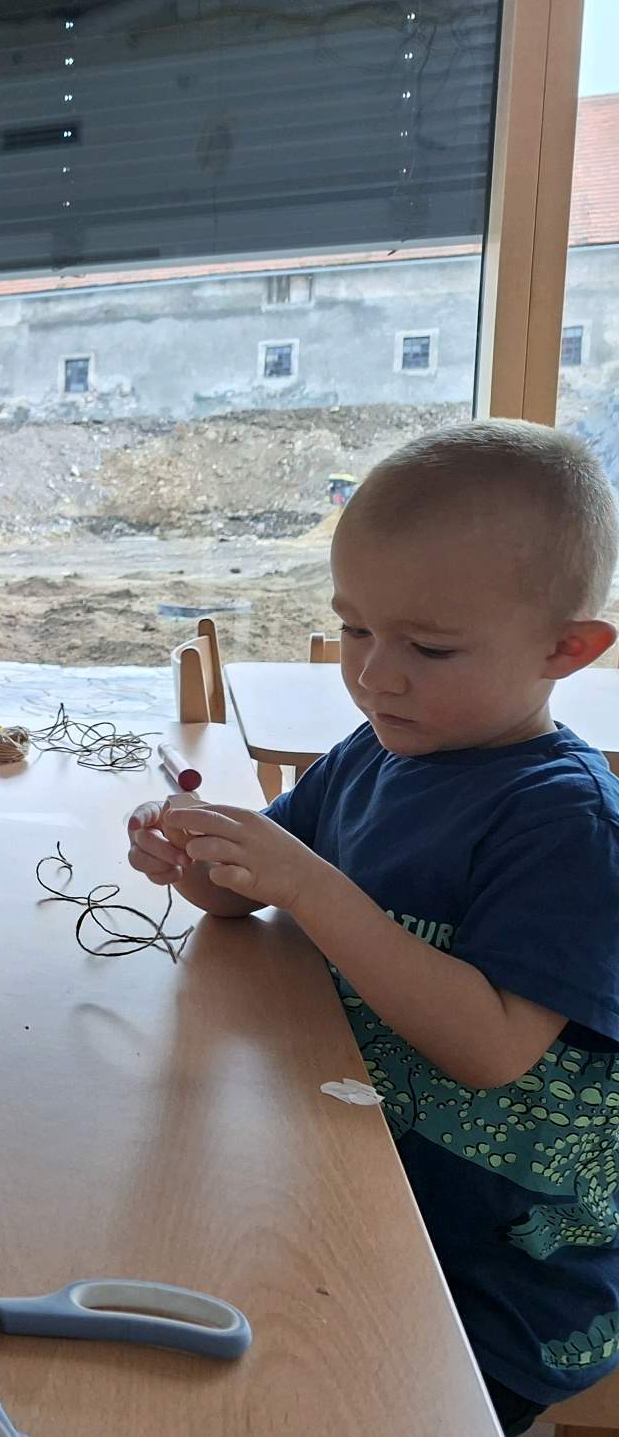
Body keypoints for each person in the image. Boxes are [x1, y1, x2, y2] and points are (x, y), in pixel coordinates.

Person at [126, 419, 619, 1434]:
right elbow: (251, 890)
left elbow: (491, 1048)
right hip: (353, 1184)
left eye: (427, 647)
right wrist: (199, 859)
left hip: (497, 1278)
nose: (375, 675)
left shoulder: (565, 823)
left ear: (566, 649)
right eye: (354, 629)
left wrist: (309, 886)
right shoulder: (375, 751)